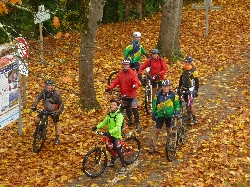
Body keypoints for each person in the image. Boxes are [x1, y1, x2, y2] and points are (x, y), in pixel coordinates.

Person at [106, 59, 141, 132]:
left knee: (134, 108)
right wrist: (110, 87)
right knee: (126, 107)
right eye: (124, 65)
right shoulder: (120, 73)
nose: (125, 66)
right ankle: (130, 120)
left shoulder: (132, 73)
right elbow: (115, 81)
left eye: (127, 65)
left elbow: (136, 82)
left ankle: (138, 123)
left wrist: (135, 86)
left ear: (129, 65)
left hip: (132, 95)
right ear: (122, 65)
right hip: (124, 95)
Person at [92, 99, 126, 174]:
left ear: (117, 106)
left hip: (116, 135)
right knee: (108, 147)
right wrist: (96, 127)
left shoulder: (119, 115)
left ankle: (123, 166)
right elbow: (104, 122)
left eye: (114, 104)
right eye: (112, 104)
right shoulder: (109, 115)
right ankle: (113, 161)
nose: (112, 106)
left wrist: (109, 132)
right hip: (110, 134)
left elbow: (118, 127)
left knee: (117, 149)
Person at [149, 80, 180, 153]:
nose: (166, 88)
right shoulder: (157, 95)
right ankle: (153, 146)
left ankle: (169, 143)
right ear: (162, 87)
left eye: (167, 87)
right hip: (160, 115)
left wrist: (176, 111)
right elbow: (154, 104)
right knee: (157, 131)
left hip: (169, 115)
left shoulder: (173, 95)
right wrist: (154, 113)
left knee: (169, 130)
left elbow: (177, 105)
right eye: (165, 87)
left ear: (169, 87)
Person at [31, 79, 64, 145]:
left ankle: (57, 137)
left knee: (56, 123)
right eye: (46, 85)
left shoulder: (56, 94)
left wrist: (58, 112)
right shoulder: (43, 92)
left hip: (54, 111)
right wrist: (34, 105)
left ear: (52, 86)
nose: (47, 87)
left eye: (48, 85)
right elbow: (38, 98)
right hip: (46, 110)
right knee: (37, 120)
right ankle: (39, 130)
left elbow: (61, 104)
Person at [178, 56, 199, 125]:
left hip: (190, 88)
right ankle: (189, 115)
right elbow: (181, 79)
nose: (185, 63)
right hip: (184, 87)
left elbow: (197, 81)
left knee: (190, 104)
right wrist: (179, 87)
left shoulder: (194, 71)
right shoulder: (183, 69)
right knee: (186, 102)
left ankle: (194, 118)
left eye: (187, 62)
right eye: (185, 62)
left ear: (190, 63)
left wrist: (196, 90)